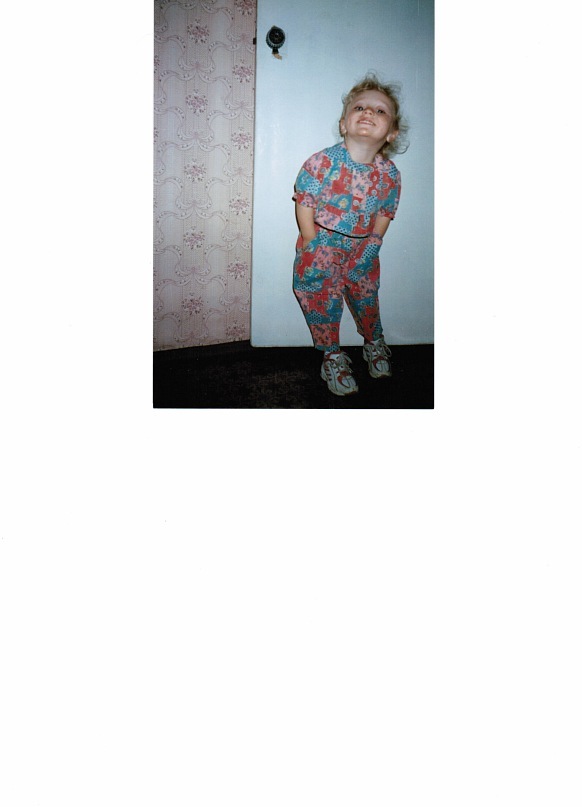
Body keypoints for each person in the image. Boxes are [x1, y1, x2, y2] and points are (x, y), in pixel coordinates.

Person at [292, 74, 407, 396]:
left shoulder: (389, 174)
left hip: (362, 248)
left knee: (366, 297)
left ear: (391, 133)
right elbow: (305, 201)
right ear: (344, 124)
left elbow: (385, 211)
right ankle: (332, 355)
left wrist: (374, 243)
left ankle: (374, 342)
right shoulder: (322, 162)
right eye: (360, 107)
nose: (368, 112)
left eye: (380, 111)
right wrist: (310, 240)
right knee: (320, 299)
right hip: (321, 244)